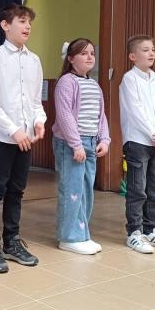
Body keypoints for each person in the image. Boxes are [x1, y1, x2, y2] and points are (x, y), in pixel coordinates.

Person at [0, 3, 46, 274]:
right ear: (5, 25)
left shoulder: (34, 60)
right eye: (21, 21)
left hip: (26, 137)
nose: (27, 26)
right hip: (1, 137)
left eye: (29, 22)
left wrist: (39, 121)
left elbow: (35, 101)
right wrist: (13, 130)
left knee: (17, 190)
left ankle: (12, 240)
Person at [52, 38, 110, 255]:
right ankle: (68, 237)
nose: (89, 57)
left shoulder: (94, 84)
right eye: (83, 53)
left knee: (85, 191)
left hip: (91, 142)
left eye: (92, 53)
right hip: (71, 144)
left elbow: (100, 115)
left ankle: (82, 234)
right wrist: (76, 144)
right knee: (72, 190)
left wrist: (104, 139)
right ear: (70, 58)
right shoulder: (66, 82)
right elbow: (65, 115)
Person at [120, 36, 155, 254]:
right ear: (132, 56)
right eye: (145, 50)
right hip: (138, 141)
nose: (151, 53)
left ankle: (150, 228)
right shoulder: (129, 79)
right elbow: (136, 112)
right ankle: (134, 232)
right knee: (137, 188)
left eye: (152, 49)